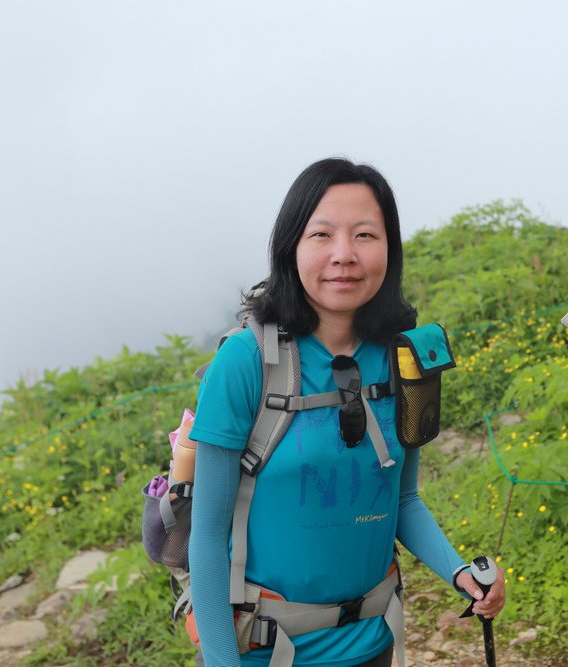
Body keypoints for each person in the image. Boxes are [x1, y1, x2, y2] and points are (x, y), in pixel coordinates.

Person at [188, 158, 507, 667]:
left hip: (374, 640)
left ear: (389, 248)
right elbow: (206, 536)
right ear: (291, 246)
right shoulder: (246, 362)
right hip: (267, 653)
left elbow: (401, 498)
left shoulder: (404, 358)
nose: (344, 255)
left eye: (364, 235)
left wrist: (459, 572)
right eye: (321, 235)